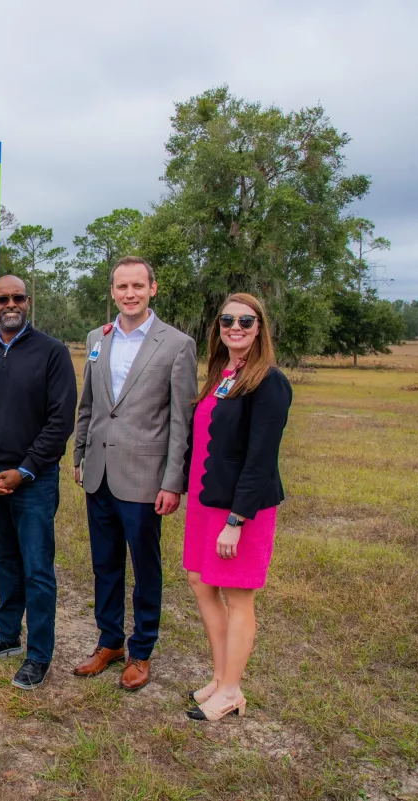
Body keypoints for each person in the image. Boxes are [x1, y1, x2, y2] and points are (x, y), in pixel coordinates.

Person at [71, 256, 197, 690]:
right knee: (105, 564)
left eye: (137, 286)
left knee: (146, 568)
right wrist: (80, 453)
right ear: (112, 292)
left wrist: (172, 480)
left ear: (152, 289)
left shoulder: (177, 344)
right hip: (99, 474)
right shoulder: (97, 338)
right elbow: (88, 404)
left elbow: (183, 421)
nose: (129, 294)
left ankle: (141, 650)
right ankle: (110, 642)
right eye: (122, 287)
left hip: (145, 478)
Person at [0, 275, 78, 690]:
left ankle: (39, 655)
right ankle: (8, 635)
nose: (11, 304)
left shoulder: (52, 353)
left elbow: (60, 420)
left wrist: (24, 470)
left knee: (38, 569)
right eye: (2, 299)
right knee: (6, 562)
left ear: (29, 301)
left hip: (35, 482)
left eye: (18, 298)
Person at [182, 293, 291, 722]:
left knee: (237, 597)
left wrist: (236, 521)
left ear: (260, 327)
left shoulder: (269, 381)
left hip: (239, 511)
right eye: (228, 320)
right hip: (206, 502)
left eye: (246, 321)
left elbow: (261, 458)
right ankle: (220, 676)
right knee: (200, 583)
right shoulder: (222, 375)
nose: (236, 327)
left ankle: (231, 691)